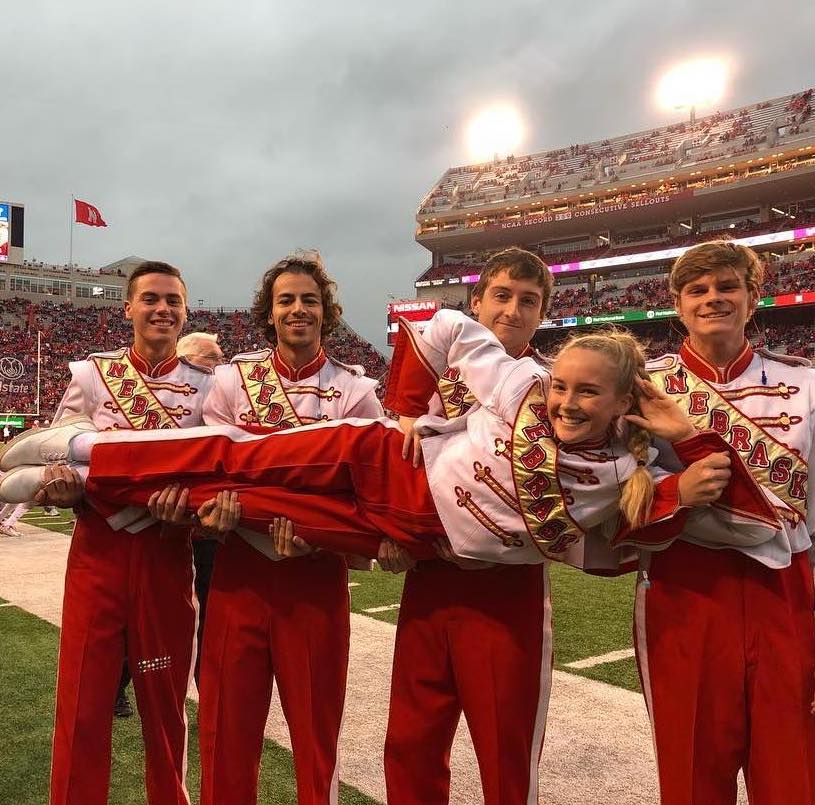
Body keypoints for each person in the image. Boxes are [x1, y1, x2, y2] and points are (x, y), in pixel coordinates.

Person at [1, 310, 772, 566]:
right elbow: (436, 323)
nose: (565, 400)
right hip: (380, 458)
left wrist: (691, 440)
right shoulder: (521, 386)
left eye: (585, 393)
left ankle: (55, 489)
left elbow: (733, 521)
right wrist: (406, 412)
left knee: (226, 496)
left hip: (394, 535)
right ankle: (73, 449)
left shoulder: (629, 476)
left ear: (621, 404)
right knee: (223, 450)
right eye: (562, 384)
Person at [156, 251, 386, 805]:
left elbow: (369, 492)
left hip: (315, 581)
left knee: (315, 737)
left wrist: (322, 531)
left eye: (309, 300)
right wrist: (212, 516)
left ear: (326, 312)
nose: (298, 309)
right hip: (239, 577)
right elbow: (211, 468)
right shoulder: (234, 380)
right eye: (286, 300)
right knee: (225, 732)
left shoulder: (356, 390)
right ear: (270, 312)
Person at [24, 261, 223, 805]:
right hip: (98, 556)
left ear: (185, 312)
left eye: (173, 301)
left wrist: (189, 511)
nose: (162, 309)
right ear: (128, 307)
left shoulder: (208, 388)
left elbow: (215, 471)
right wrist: (59, 490)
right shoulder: (90, 374)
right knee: (84, 700)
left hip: (166, 556)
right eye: (151, 299)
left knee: (163, 701)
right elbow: (56, 452)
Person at [635, 240, 815, 805]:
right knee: (692, 776)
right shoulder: (643, 386)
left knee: (793, 772)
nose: (713, 298)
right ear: (678, 305)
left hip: (787, 594)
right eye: (697, 290)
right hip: (685, 592)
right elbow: (608, 496)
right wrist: (675, 492)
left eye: (727, 286)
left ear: (753, 297)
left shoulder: (807, 383)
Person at [384, 247, 561, 805]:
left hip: (505, 591)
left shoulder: (553, 390)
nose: (512, 310)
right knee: (411, 742)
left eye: (527, 301)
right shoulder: (433, 374)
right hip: (430, 582)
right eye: (501, 296)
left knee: (505, 756)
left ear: (542, 314)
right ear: (477, 303)